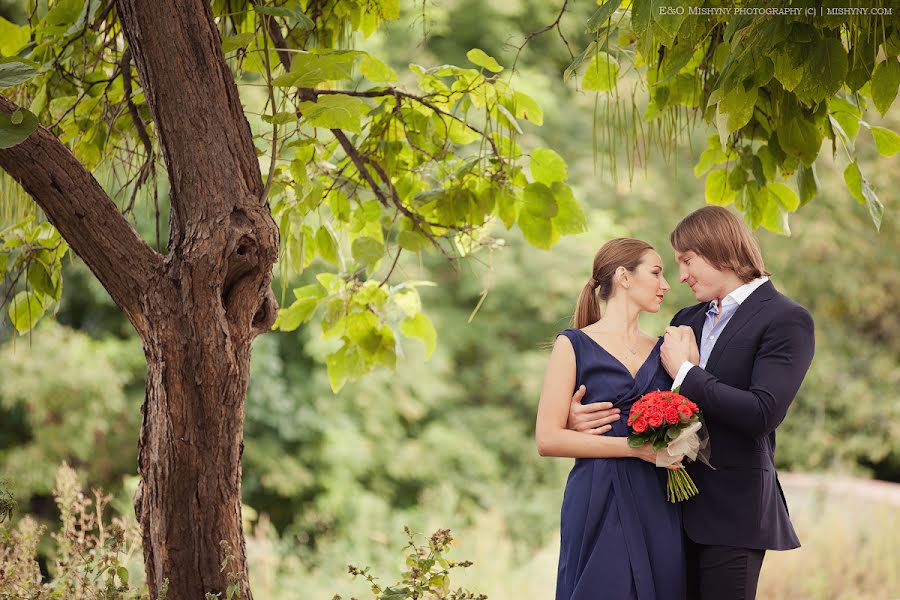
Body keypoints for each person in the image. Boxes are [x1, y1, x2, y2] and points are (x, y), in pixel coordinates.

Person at [567, 206, 816, 600]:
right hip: (665, 509)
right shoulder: (688, 319)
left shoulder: (786, 319)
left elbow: (761, 413)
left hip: (735, 516)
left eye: (686, 261)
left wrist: (687, 373)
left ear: (720, 250)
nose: (680, 276)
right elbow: (653, 404)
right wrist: (581, 417)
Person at [535, 237, 691, 600]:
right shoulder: (572, 345)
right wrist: (636, 448)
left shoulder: (665, 349)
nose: (666, 284)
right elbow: (548, 439)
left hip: (659, 498)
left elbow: (689, 417)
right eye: (656, 272)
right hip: (598, 495)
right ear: (623, 276)